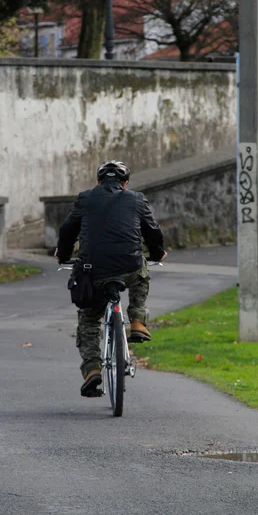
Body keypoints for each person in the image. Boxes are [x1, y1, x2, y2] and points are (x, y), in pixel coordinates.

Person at [55, 160, 167, 397]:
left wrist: (62, 255)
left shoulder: (85, 198)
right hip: (129, 266)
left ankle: (92, 369)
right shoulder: (136, 199)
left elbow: (67, 231)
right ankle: (137, 320)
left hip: (92, 270)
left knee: (89, 318)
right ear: (125, 184)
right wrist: (157, 253)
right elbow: (152, 230)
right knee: (141, 270)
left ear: (98, 182)